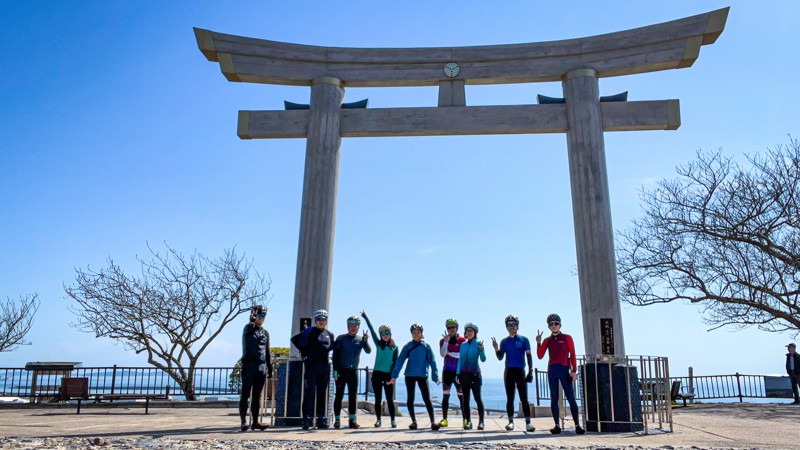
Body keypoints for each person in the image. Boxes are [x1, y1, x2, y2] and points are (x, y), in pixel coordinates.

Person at [536, 313, 585, 435]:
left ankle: (577, 425)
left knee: (571, 398)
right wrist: (538, 342)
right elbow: (540, 355)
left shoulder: (567, 337)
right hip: (552, 370)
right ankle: (556, 425)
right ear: (548, 326)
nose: (553, 326)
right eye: (551, 324)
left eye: (556, 323)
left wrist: (574, 371)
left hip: (564, 370)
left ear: (560, 324)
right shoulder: (547, 340)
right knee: (554, 398)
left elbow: (572, 354)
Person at [389, 323, 442, 430]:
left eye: (418, 332)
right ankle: (414, 422)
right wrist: (394, 376)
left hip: (422, 375)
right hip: (409, 375)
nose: (416, 334)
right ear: (411, 334)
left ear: (422, 333)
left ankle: (433, 422)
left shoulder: (426, 346)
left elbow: (432, 362)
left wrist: (435, 377)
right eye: (414, 333)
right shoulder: (408, 346)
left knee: (427, 398)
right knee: (410, 399)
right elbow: (400, 361)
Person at [291, 308, 335, 430]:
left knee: (322, 394)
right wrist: (304, 352)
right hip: (311, 367)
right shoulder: (309, 331)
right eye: (319, 319)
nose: (321, 321)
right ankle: (306, 420)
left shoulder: (329, 334)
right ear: (315, 320)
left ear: (326, 321)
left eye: (323, 319)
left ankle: (321, 419)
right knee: (309, 393)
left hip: (324, 367)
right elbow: (295, 340)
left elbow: (332, 348)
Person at [492, 314, 535, 432]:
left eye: (513, 324)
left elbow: (529, 357)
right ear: (506, 327)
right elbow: (500, 357)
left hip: (520, 371)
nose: (511, 327)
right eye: (509, 325)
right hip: (509, 371)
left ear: (517, 325)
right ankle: (510, 422)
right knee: (510, 398)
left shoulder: (524, 340)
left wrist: (530, 371)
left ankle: (528, 423)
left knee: (524, 398)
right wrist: (496, 349)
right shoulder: (504, 342)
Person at [332, 315, 372, 429]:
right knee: (339, 395)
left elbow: (368, 351)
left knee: (353, 396)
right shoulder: (340, 338)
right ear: (347, 326)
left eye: (355, 326)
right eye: (351, 325)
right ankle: (337, 420)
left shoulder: (360, 340)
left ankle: (352, 420)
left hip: (353, 371)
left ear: (358, 327)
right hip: (341, 370)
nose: (353, 328)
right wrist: (335, 371)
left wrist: (365, 341)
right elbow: (335, 356)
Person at [361, 310, 399, 428]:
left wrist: (393, 377)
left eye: (387, 332)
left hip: (388, 375)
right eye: (382, 333)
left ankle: (393, 420)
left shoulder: (395, 347)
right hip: (377, 374)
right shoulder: (378, 344)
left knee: (389, 399)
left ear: (390, 333)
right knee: (378, 399)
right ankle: (378, 420)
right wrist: (365, 317)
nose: (385, 335)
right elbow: (372, 330)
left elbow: (395, 364)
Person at [239, 305, 272, 431]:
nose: (261, 318)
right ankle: (243, 421)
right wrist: (251, 320)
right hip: (248, 365)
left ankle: (256, 422)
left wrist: (269, 368)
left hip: (261, 366)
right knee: (245, 393)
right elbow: (250, 330)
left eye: (263, 316)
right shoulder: (248, 328)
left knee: (257, 395)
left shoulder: (265, 333)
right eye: (259, 315)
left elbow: (267, 351)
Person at [456, 322, 486, 430]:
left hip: (475, 375)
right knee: (465, 400)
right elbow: (460, 360)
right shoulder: (463, 345)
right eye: (467, 331)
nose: (469, 333)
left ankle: (481, 422)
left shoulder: (478, 343)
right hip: (464, 375)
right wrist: (457, 374)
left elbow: (483, 359)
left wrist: (481, 350)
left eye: (471, 331)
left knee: (477, 398)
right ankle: (468, 421)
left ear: (475, 333)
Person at [438, 318, 466, 427]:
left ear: (457, 328)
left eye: (453, 327)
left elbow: (462, 355)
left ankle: (465, 419)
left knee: (461, 396)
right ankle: (444, 419)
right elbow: (442, 354)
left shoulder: (462, 340)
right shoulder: (443, 340)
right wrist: (446, 342)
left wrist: (450, 353)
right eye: (449, 328)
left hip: (459, 372)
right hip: (447, 371)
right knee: (446, 395)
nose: (451, 329)